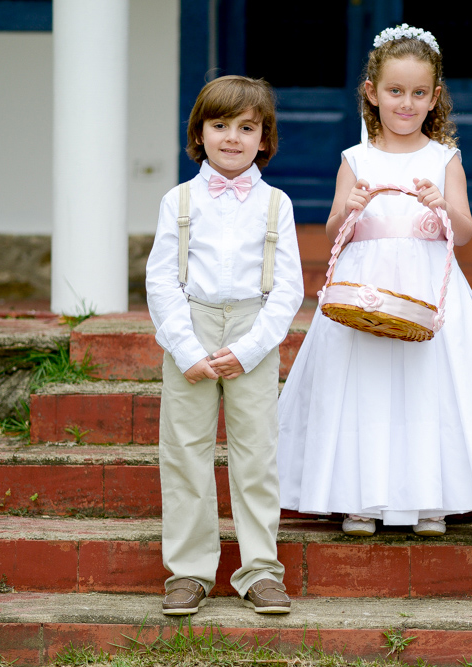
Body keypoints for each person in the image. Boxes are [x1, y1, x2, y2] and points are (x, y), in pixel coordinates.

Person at [277, 24, 472, 537]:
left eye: (419, 94)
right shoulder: (356, 158)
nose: (406, 103)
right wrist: (347, 208)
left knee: (426, 388)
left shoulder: (444, 159)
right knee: (363, 387)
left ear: (435, 97)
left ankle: (427, 499)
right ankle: (358, 497)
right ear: (372, 93)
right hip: (366, 289)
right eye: (396, 91)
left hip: (426, 289)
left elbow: (462, 232)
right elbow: (333, 230)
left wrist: (443, 209)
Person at [145, 75, 303, 616]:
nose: (232, 138)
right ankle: (189, 571)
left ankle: (260, 569)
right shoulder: (179, 200)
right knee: (185, 451)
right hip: (190, 325)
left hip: (252, 329)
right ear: (199, 133)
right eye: (219, 126)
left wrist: (253, 347)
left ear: (264, 137)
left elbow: (288, 288)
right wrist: (185, 348)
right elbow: (161, 279)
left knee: (256, 452)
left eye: (246, 127)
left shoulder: (276, 203)